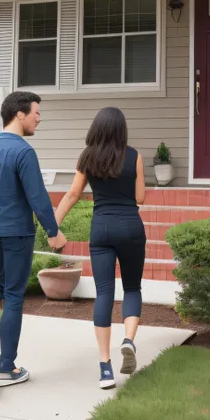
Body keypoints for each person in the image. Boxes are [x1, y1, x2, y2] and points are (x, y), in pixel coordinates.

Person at [0, 91, 67, 395]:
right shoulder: (23, 152)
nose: (39, 118)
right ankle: (7, 367)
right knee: (13, 295)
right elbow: (38, 198)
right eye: (36, 112)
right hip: (17, 233)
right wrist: (53, 231)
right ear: (19, 114)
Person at [55, 106, 145, 390]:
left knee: (104, 292)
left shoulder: (88, 157)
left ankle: (105, 368)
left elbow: (72, 194)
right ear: (122, 129)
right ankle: (128, 340)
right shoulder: (134, 156)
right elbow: (140, 197)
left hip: (102, 228)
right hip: (131, 226)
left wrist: (52, 226)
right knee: (132, 288)